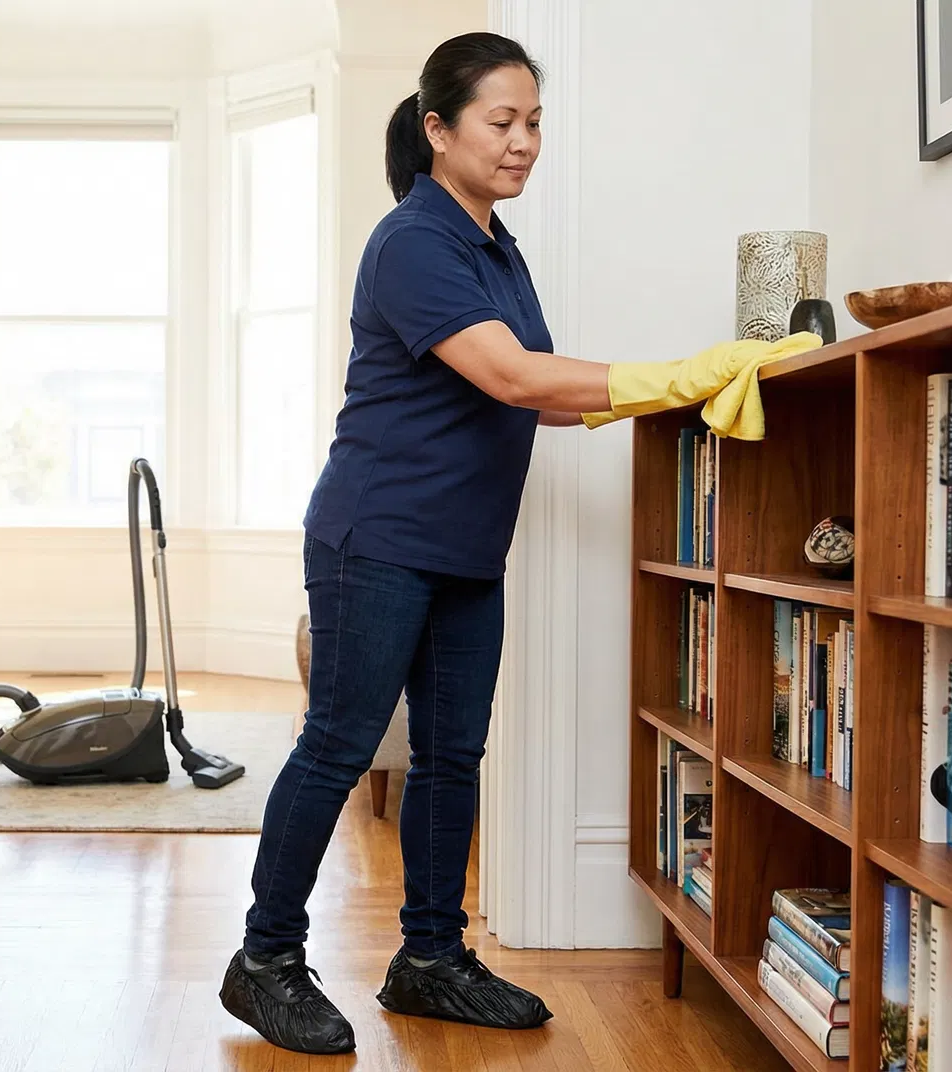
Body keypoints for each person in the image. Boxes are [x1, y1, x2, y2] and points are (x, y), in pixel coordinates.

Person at [217, 31, 632, 1056]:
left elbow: (542, 398)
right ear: (439, 130)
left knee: (452, 754)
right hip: (378, 537)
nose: (526, 141)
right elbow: (520, 379)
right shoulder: (412, 241)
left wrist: (676, 398)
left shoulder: (498, 249)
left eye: (536, 121)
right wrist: (673, 374)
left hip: (464, 549)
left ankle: (431, 959)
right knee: (339, 746)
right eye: (504, 121)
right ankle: (265, 959)